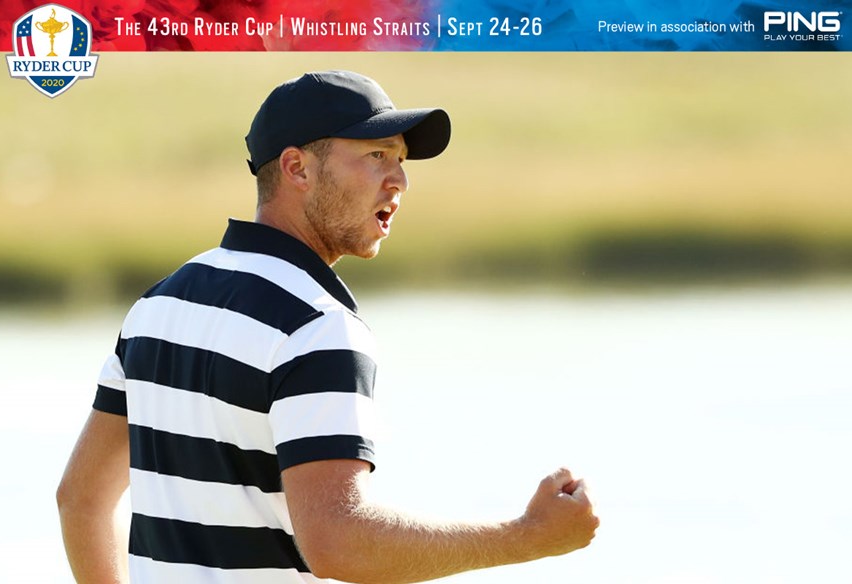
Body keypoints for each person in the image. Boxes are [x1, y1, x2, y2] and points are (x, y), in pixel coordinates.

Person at [56, 70, 599, 584]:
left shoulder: (161, 302)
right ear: (297, 168)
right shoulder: (317, 325)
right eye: (376, 156)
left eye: (402, 160)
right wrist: (526, 538)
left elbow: (80, 499)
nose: (400, 180)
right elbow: (338, 540)